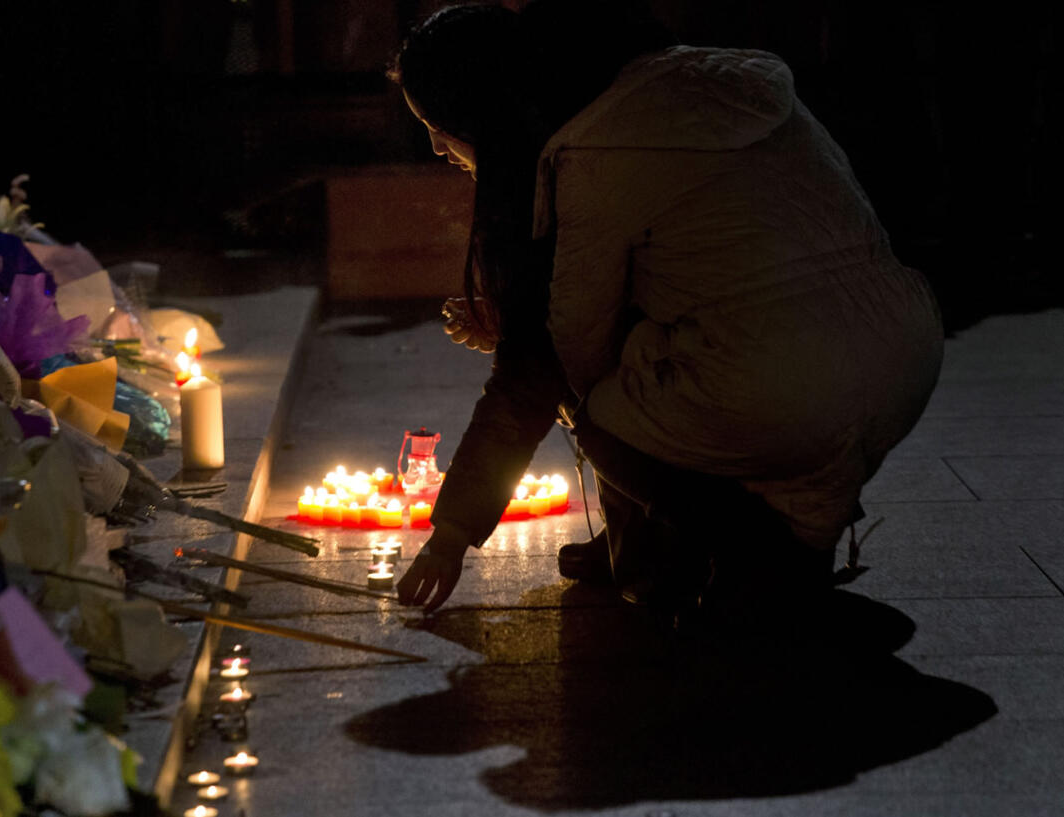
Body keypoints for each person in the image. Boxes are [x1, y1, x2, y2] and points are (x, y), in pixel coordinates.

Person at [391, 0, 944, 625]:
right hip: (900, 354)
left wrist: (451, 533)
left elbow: (556, 358)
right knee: (627, 362)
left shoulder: (594, 151)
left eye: (439, 123)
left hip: (781, 389)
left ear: (487, 108)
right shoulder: (718, 85)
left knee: (595, 401)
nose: (438, 146)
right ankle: (678, 541)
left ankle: (759, 555)